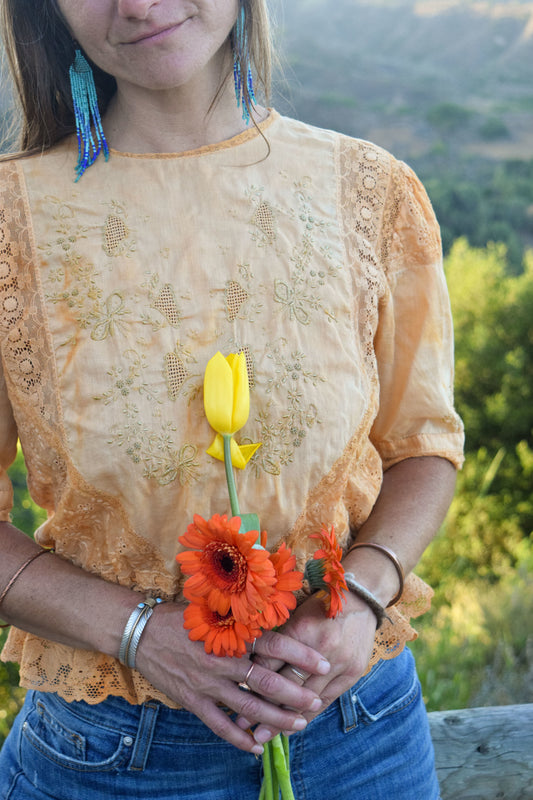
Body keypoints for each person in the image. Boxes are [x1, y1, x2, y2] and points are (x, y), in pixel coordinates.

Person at [0, 1, 464, 798]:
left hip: (365, 734)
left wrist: (358, 600)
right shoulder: (12, 222)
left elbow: (423, 447)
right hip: (116, 755)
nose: (139, 4)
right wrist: (141, 633)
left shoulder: (372, 190)